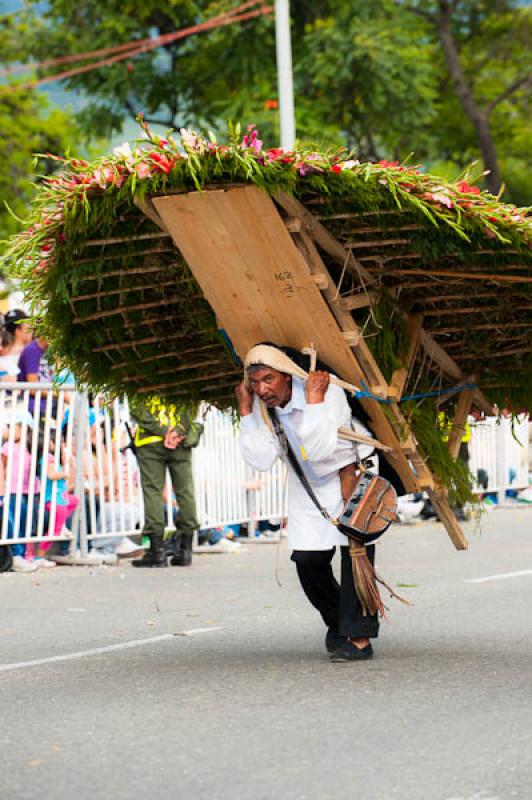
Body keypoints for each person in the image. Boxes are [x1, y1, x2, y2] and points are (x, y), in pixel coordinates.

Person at [236, 343, 391, 662]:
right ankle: (338, 621)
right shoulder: (263, 405)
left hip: (350, 474)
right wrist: (246, 411)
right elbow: (261, 459)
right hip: (308, 483)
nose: (262, 389)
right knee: (307, 559)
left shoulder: (326, 391)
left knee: (356, 555)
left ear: (286, 375)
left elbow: (321, 449)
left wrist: (316, 400)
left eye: (268, 380)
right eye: (255, 383)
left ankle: (359, 637)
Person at [130, 398, 203, 568]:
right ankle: (185, 551)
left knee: (153, 492)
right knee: (185, 492)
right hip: (180, 441)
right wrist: (177, 431)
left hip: (150, 442)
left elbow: (137, 409)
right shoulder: (179, 374)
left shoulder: (136, 376)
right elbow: (191, 407)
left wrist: (164, 431)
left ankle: (157, 552)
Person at [0, 309, 33, 382]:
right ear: (17, 330)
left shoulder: (3, 353)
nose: (32, 331)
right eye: (29, 328)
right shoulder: (30, 352)